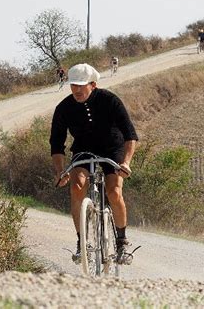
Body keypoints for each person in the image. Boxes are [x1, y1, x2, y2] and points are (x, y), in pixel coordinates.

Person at [50, 63, 138, 265]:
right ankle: (82, 244)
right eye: (73, 85)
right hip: (83, 148)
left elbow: (130, 134)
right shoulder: (63, 108)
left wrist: (126, 162)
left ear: (93, 85)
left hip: (112, 147)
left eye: (81, 85)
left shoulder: (110, 100)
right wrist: (59, 171)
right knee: (76, 186)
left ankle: (122, 243)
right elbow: (56, 143)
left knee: (114, 191)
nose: (76, 90)